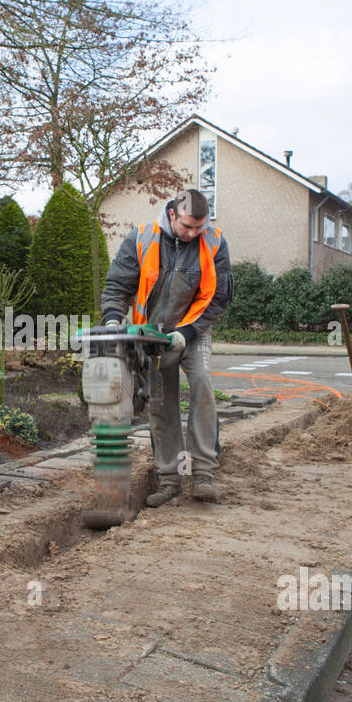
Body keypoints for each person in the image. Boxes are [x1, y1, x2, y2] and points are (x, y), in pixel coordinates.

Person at [100, 189, 232, 504]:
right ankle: (170, 480)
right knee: (161, 402)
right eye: (188, 227)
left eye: (200, 228)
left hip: (194, 332)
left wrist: (187, 332)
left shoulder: (214, 242)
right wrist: (114, 321)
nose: (193, 234)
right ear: (172, 214)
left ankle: (203, 474)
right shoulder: (142, 238)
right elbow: (118, 285)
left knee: (201, 385)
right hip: (153, 336)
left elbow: (218, 297)